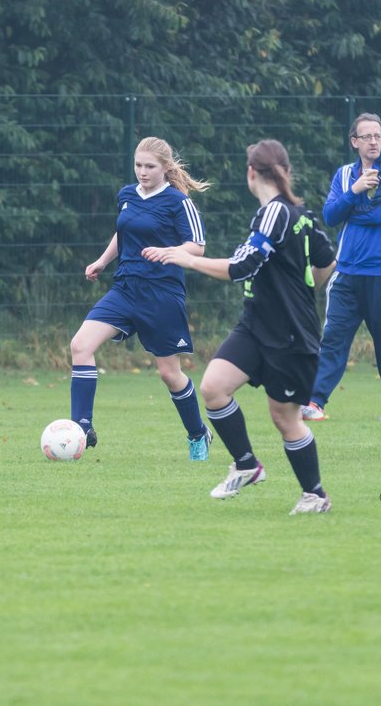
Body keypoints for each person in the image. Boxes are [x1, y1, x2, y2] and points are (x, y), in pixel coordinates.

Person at [144, 139, 338, 514]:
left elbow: (239, 267)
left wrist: (184, 258)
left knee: (285, 419)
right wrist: (301, 282)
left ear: (251, 173)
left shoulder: (278, 214)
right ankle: (247, 465)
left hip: (290, 333)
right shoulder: (300, 213)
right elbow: (327, 263)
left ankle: (315, 495)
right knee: (214, 388)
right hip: (255, 324)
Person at [70, 136, 214, 460]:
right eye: (138, 165)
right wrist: (102, 261)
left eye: (150, 166)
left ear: (165, 167)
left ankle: (198, 434)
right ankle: (81, 427)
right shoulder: (127, 195)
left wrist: (167, 251)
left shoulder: (178, 202)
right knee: (80, 345)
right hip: (125, 288)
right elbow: (124, 233)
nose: (143, 172)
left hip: (162, 294)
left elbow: (198, 246)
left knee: (168, 373)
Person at [302, 112, 381, 424]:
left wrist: (350, 207)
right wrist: (354, 191)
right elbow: (330, 216)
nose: (373, 141)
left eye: (378, 135)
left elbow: (380, 215)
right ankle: (315, 402)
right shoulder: (344, 175)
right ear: (354, 142)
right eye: (366, 136)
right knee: (333, 338)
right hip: (347, 272)